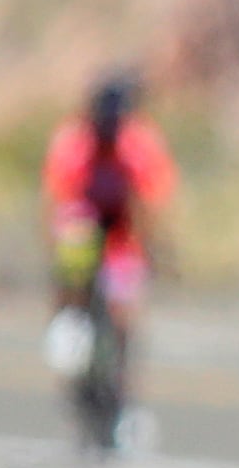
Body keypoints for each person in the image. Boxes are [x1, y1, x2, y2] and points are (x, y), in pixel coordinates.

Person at [41, 69, 178, 416]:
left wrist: (157, 249)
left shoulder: (140, 141)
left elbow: (153, 203)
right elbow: (55, 200)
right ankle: (71, 317)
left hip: (122, 226)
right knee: (73, 257)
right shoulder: (73, 139)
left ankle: (121, 377)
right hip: (82, 219)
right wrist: (57, 253)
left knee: (124, 306)